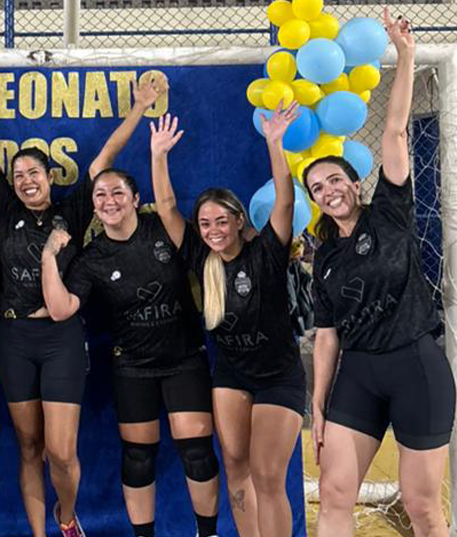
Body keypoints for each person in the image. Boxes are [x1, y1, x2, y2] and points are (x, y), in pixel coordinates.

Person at [0, 53, 161, 537]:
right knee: (28, 447)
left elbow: (105, 158)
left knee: (61, 451)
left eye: (34, 173)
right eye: (19, 174)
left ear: (49, 177)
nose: (25, 180)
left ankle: (66, 517)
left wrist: (139, 108)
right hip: (14, 338)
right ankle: (40, 533)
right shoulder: (3, 208)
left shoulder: (73, 209)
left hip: (62, 338)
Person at [306, 11, 455, 537]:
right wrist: (318, 405)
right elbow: (326, 337)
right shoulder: (323, 258)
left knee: (421, 507)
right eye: (317, 189)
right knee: (335, 498)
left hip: (415, 366)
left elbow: (393, 128)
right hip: (360, 375)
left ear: (353, 179)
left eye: (334, 179)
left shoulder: (390, 210)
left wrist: (405, 54)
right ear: (316, 203)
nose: (328, 190)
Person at [40, 165, 222, 536]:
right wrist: (47, 258)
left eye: (118, 193)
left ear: (136, 200)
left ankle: (209, 532)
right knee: (139, 458)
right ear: (93, 206)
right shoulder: (92, 258)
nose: (110, 201)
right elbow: (61, 309)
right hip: (133, 367)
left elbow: (180, 214)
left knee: (197, 451)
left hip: (183, 359)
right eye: (101, 195)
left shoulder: (161, 229)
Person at [149, 102, 303, 537]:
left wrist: (275, 142)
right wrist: (158, 155)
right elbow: (164, 206)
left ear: (239, 220)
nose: (213, 229)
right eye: (204, 222)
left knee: (269, 475)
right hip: (232, 375)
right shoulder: (201, 257)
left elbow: (285, 195)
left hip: (278, 377)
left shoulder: (267, 253)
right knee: (235, 466)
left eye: (221, 220)